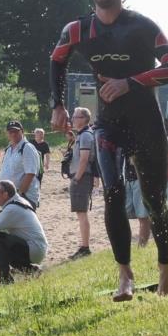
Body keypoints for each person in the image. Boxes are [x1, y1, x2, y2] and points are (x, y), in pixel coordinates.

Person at [49, 0, 168, 300]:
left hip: (146, 121)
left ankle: (165, 266)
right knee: (112, 194)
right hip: (109, 124)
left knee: (154, 199)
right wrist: (58, 105)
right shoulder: (78, 29)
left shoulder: (141, 25)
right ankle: (125, 274)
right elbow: (56, 61)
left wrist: (130, 82)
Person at [0, 180, 48, 284]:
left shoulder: (11, 209)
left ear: (5, 194)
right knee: (2, 242)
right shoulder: (18, 201)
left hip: (33, 248)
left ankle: (5, 279)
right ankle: (32, 270)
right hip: (37, 248)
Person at [67, 107, 95, 259]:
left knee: (82, 213)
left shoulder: (85, 136)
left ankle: (85, 247)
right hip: (82, 176)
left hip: (82, 177)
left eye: (75, 117)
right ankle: (84, 246)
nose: (73, 119)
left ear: (84, 118)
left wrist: (77, 178)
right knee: (80, 213)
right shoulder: (83, 135)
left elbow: (84, 159)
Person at [0, 121, 42, 209]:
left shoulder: (27, 148)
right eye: (11, 132)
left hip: (23, 197)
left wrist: (19, 195)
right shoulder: (9, 149)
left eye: (16, 131)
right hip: (10, 196)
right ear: (7, 133)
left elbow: (30, 174)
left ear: (22, 131)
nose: (13, 134)